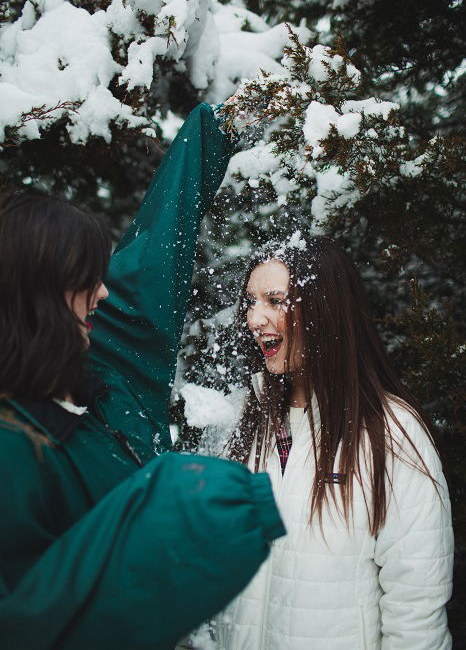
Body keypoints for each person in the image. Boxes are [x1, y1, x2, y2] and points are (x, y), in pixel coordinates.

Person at [0, 103, 285, 650]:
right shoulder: (14, 452)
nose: (103, 292)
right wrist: (179, 509)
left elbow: (157, 252)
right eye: (86, 278)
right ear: (36, 295)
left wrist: (213, 130)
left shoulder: (107, 369)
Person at [209, 233, 454, 650]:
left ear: (323, 310)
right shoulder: (247, 423)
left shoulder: (390, 432)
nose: (254, 319)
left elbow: (416, 606)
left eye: (274, 300)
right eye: (250, 302)